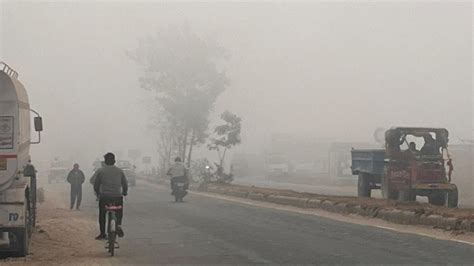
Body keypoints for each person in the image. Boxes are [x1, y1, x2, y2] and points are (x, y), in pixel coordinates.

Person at [94, 153, 128, 240]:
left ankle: (102, 233)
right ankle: (119, 225)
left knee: (102, 214)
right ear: (114, 161)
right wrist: (124, 193)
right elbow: (125, 183)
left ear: (105, 161)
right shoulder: (120, 171)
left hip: (105, 197)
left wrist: (98, 193)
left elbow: (96, 184)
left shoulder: (100, 171)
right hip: (117, 197)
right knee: (119, 212)